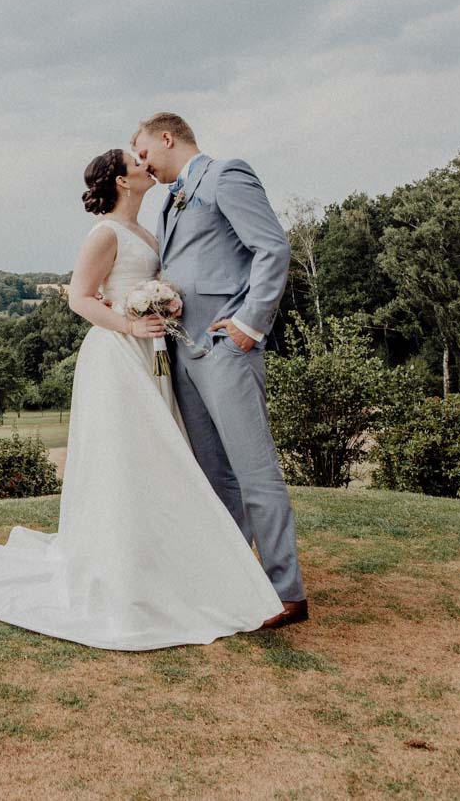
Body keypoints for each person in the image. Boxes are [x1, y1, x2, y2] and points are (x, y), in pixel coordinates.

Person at [0, 147, 284, 650]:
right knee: (125, 458)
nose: (145, 164)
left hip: (152, 355)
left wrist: (165, 308)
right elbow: (80, 296)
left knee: (159, 457)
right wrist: (130, 321)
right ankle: (122, 568)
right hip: (116, 356)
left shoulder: (148, 233)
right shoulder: (105, 233)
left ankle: (163, 559)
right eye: (135, 161)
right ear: (122, 182)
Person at [131, 112, 307, 628]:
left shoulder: (227, 174)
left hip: (227, 347)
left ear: (168, 138)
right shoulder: (168, 201)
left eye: (145, 152)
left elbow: (271, 247)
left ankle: (286, 593)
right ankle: (234, 580)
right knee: (214, 476)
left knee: (254, 471)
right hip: (183, 354)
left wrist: (251, 324)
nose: (143, 163)